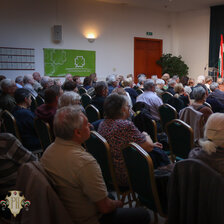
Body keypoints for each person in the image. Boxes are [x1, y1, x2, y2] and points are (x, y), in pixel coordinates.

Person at [41, 106, 150, 224]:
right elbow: (105, 208)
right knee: (143, 214)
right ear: (77, 133)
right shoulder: (84, 162)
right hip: (87, 218)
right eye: (86, 124)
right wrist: (119, 203)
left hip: (63, 211)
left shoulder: (48, 151)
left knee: (110, 196)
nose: (90, 126)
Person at [98, 94, 169, 187]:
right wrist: (145, 134)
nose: (129, 109)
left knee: (156, 150)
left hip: (110, 172)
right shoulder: (125, 125)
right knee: (159, 154)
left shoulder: (103, 124)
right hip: (126, 174)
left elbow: (125, 143)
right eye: (128, 106)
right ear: (123, 109)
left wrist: (149, 143)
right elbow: (149, 147)